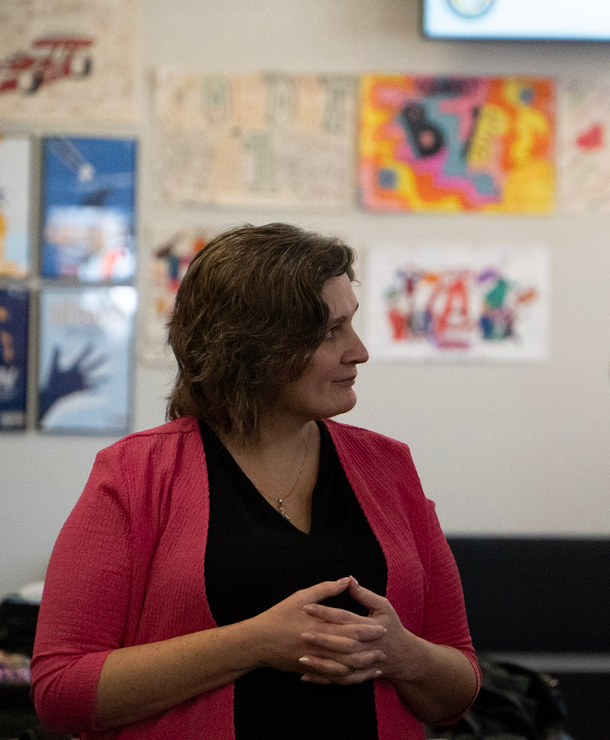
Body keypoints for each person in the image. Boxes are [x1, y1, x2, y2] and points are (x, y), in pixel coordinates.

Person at [32, 223, 480, 739]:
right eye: (330, 331)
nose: (359, 351)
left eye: (351, 324)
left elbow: (458, 688)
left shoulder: (389, 466)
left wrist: (403, 655)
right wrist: (253, 643)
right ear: (254, 348)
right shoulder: (136, 474)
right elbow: (60, 692)